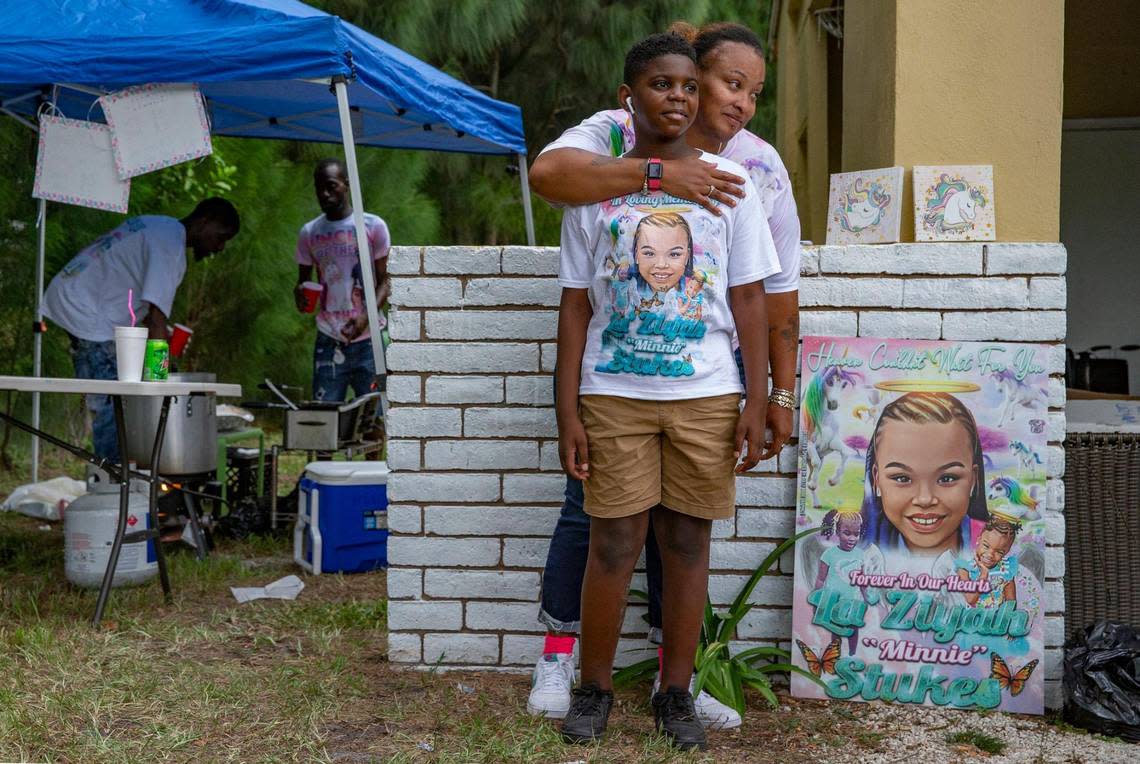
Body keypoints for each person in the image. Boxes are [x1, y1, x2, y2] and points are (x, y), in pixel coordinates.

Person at [525, 21, 800, 730]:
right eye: (663, 85)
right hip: (614, 396)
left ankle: (674, 692)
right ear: (630, 97)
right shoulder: (597, 183)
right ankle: (592, 688)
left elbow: (750, 296)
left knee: (685, 543)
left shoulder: (737, 180)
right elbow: (576, 307)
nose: (679, 97)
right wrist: (568, 412)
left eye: (686, 86)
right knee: (611, 542)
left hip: (706, 394)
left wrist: (762, 394)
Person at [42, 198, 240, 460]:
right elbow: (156, 319)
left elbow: (147, 311)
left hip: (75, 296)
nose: (221, 246)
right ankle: (112, 482)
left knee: (112, 401)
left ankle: (114, 476)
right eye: (220, 236)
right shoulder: (170, 248)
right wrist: (160, 381)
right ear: (204, 222)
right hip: (86, 310)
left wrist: (163, 338)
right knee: (114, 406)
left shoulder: (161, 225)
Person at [294, 158, 391, 403]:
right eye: (319, 188)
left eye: (332, 186)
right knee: (325, 415)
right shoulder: (310, 232)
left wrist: (364, 318)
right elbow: (303, 282)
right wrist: (300, 294)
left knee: (374, 417)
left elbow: (387, 281)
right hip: (329, 337)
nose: (325, 194)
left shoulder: (373, 226)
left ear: (346, 185)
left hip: (369, 339)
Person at [860, 392, 991, 559]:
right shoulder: (852, 555)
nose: (925, 499)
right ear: (877, 481)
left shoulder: (1008, 550)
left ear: (973, 480)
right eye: (902, 478)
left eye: (947, 479)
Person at [956, 517, 1020, 608]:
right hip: (970, 620)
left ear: (1006, 551)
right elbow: (970, 599)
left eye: (999, 552)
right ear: (978, 540)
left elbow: (1011, 603)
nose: (990, 554)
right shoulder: (965, 567)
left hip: (995, 620)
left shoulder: (1006, 568)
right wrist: (983, 575)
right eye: (986, 546)